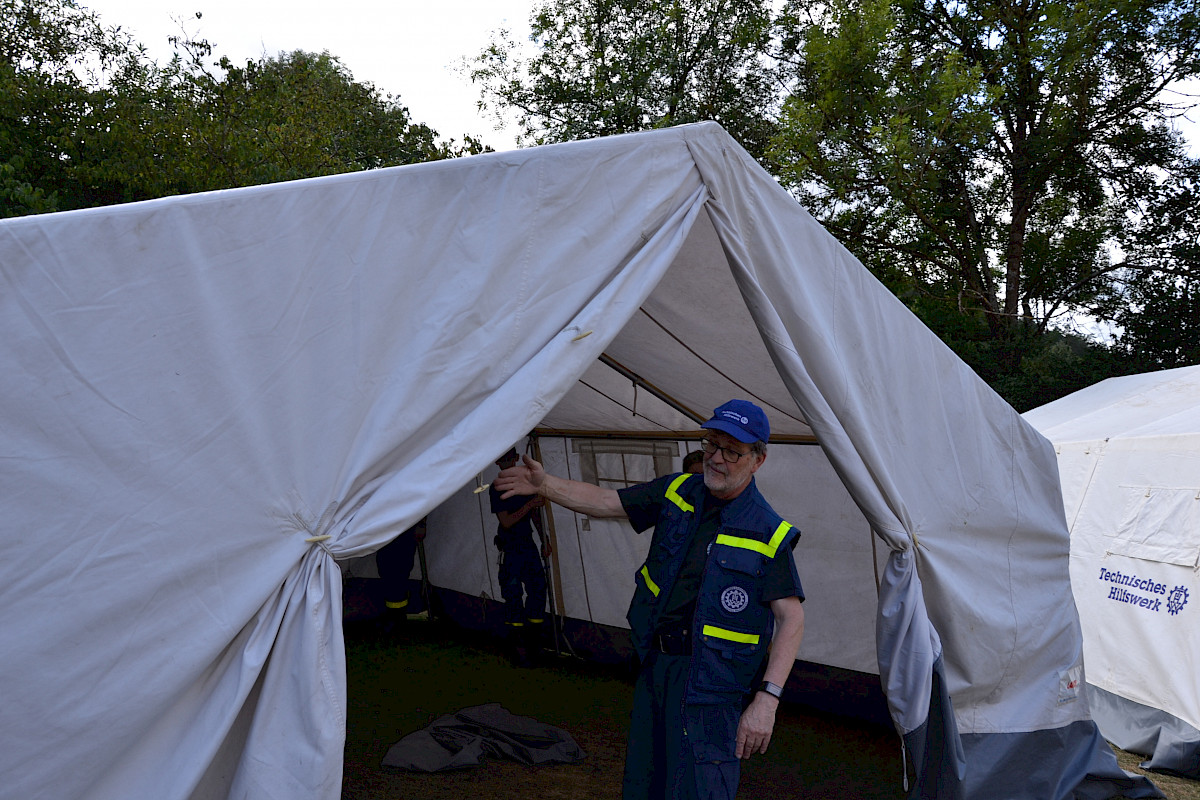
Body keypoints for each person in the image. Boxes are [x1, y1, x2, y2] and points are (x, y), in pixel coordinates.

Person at [494, 400, 805, 800]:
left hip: (711, 686)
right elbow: (607, 501)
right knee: (645, 780)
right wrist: (545, 486)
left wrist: (768, 700)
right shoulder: (677, 491)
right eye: (712, 444)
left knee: (699, 788)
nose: (716, 458)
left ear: (757, 460)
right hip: (657, 665)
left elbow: (791, 619)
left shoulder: (768, 531)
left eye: (732, 451)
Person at [490, 447, 552, 665]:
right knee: (513, 593)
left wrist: (544, 540)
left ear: (516, 458)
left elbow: (535, 515)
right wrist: (529, 505)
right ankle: (517, 646)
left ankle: (534, 642)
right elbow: (506, 521)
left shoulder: (526, 483)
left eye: (509, 458)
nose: (506, 463)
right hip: (510, 547)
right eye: (502, 459)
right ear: (498, 463)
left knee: (538, 588)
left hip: (528, 544)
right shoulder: (497, 488)